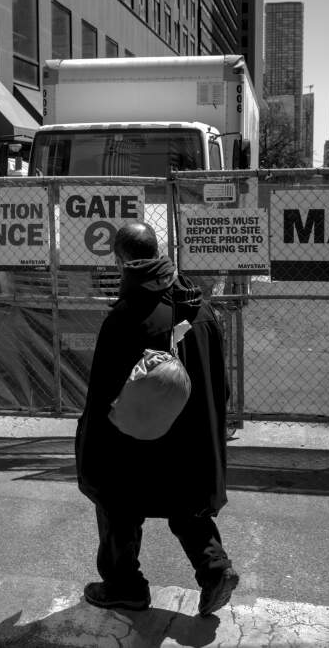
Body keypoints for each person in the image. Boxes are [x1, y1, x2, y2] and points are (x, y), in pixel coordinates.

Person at [75, 221, 239, 617]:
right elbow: (220, 379)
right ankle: (215, 570)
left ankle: (124, 586)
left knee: (117, 501)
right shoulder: (198, 306)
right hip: (191, 432)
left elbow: (103, 395)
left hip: (139, 434)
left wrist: (89, 446)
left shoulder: (127, 317)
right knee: (186, 502)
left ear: (121, 261)